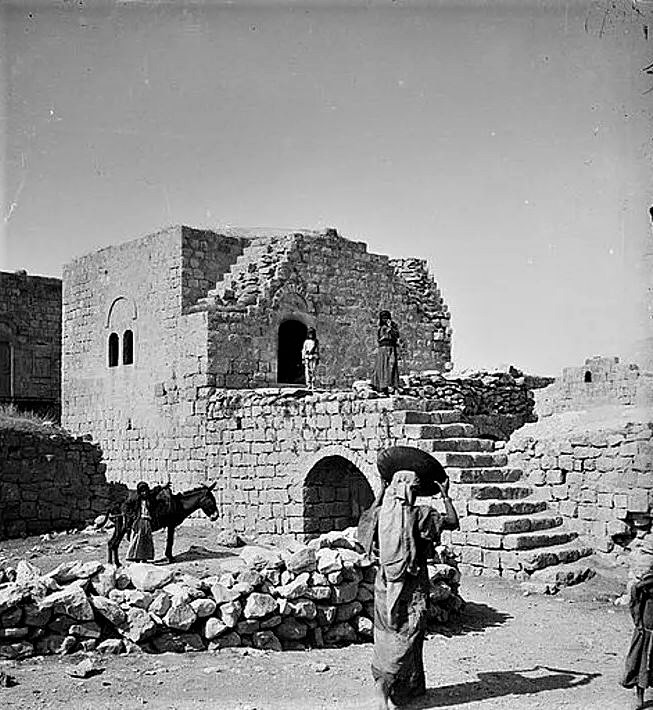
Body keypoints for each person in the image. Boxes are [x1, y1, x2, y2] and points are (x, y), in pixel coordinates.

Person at [359, 468, 459, 709]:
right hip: (411, 586)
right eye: (414, 489)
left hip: (385, 584)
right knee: (407, 634)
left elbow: (364, 526)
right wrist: (446, 496)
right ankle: (384, 689)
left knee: (386, 633)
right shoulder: (420, 515)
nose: (415, 494)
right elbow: (453, 522)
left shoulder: (380, 514)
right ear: (406, 489)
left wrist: (382, 492)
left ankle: (404, 688)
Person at [622, 558, 653, 709]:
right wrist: (638, 622)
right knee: (640, 662)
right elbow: (635, 592)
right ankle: (639, 698)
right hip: (646, 629)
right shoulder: (647, 582)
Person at [371, 310, 401, 395]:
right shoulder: (380, 327)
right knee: (382, 367)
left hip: (391, 348)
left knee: (391, 366)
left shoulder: (393, 326)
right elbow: (378, 338)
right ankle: (382, 387)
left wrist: (390, 327)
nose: (385, 319)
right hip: (383, 349)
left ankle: (392, 385)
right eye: (383, 318)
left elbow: (396, 335)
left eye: (386, 318)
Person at [126, 481, 155, 562]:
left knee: (146, 540)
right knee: (137, 539)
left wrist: (163, 486)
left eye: (146, 491)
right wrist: (133, 516)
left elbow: (155, 491)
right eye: (142, 491)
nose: (144, 493)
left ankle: (144, 557)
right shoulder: (136, 500)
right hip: (139, 521)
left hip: (147, 521)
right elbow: (127, 508)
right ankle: (135, 557)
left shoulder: (149, 499)